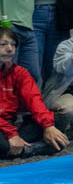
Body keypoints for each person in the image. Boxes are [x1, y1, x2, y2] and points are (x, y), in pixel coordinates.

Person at [0, 25, 69, 159]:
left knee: (57, 127)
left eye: (13, 45)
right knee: (3, 145)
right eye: (3, 44)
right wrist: (11, 135)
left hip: (12, 124)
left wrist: (48, 126)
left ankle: (18, 149)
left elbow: (34, 100)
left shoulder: (20, 72)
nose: (9, 49)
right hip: (3, 129)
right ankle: (26, 148)